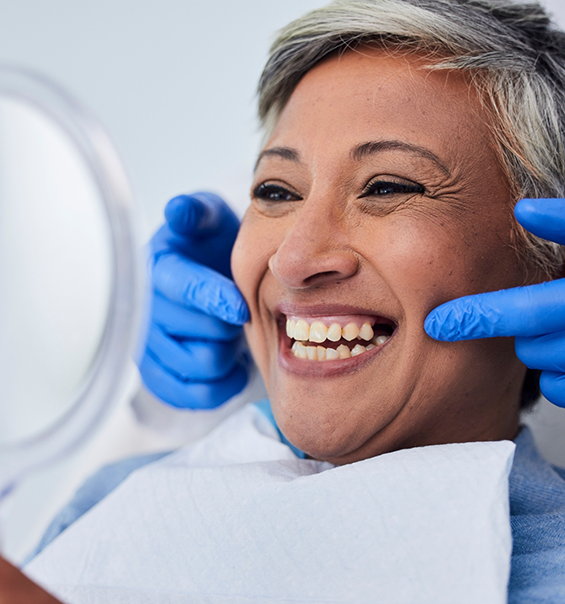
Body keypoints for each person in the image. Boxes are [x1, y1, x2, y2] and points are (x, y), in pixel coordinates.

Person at [9, 0, 565, 601]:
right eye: (276, 191)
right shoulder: (113, 498)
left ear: (547, 260)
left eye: (388, 187)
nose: (292, 261)